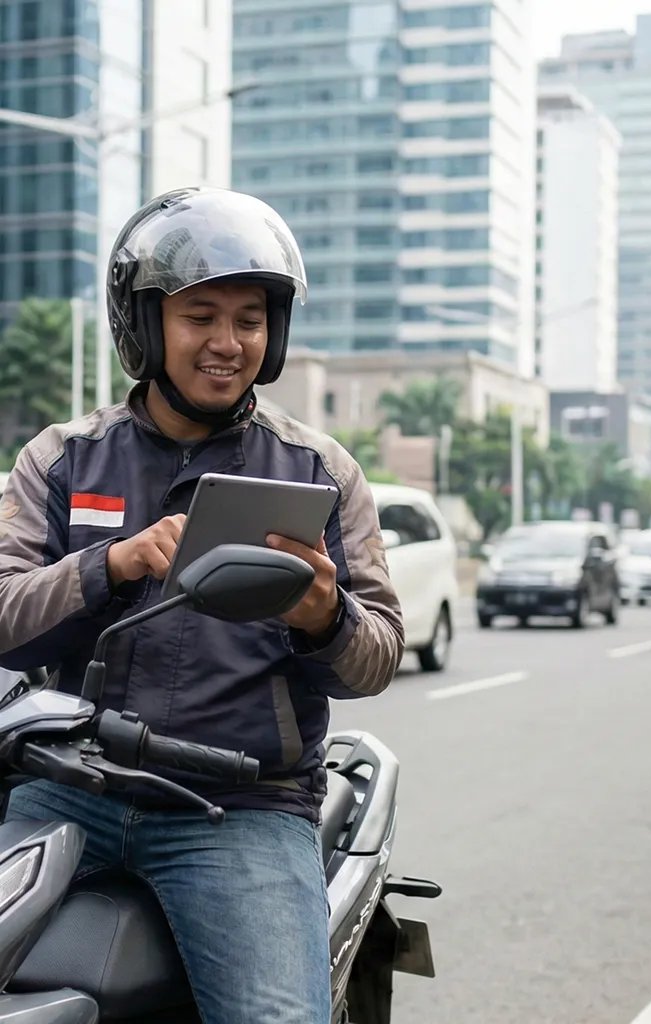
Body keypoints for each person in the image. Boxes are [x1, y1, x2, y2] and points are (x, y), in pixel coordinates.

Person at [0, 187, 405, 1024]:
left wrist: (324, 616)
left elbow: (380, 655)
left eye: (249, 320)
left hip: (241, 811)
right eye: (201, 316)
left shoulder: (319, 472)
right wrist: (110, 564)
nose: (228, 344)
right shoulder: (62, 460)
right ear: (146, 326)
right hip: (69, 785)